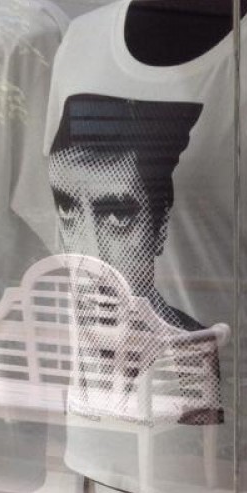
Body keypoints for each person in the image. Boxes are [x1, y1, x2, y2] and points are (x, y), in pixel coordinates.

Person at [47, 93, 203, 333]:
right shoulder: (52, 338)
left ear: (160, 226)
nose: (92, 261)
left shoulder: (192, 347)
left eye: (118, 218)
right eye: (67, 210)